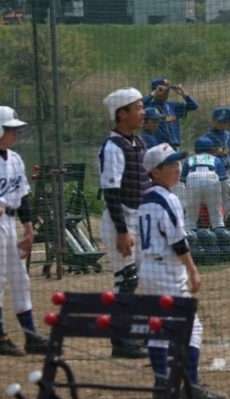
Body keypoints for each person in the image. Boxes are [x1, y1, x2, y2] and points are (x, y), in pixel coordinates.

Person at [139, 143, 226, 399]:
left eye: (178, 163)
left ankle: (161, 383)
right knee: (192, 326)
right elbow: (177, 241)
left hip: (149, 268)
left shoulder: (145, 198)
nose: (177, 169)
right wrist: (193, 269)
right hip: (166, 270)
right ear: (155, 172)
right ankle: (191, 385)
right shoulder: (169, 199)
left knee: (158, 325)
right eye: (171, 165)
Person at [0, 106, 46, 356]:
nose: (15, 133)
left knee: (20, 279)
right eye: (10, 129)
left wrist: (29, 229)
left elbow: (22, 197)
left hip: (10, 222)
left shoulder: (15, 159)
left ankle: (31, 337)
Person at [98, 88, 150, 359]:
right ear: (122, 113)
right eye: (138, 108)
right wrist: (122, 231)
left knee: (144, 276)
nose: (143, 112)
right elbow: (111, 192)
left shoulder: (138, 143)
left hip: (138, 220)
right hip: (121, 222)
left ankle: (140, 334)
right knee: (126, 279)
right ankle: (120, 341)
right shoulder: (113, 147)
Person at [181, 137, 230, 231]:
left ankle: (191, 236)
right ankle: (220, 235)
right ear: (211, 150)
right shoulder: (216, 159)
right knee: (216, 216)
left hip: (193, 178)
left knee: (191, 216)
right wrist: (226, 202)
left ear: (195, 150)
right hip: (211, 178)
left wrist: (185, 201)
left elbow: (182, 181)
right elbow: (224, 181)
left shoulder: (189, 159)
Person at [142, 77, 198, 149]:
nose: (166, 93)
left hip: (174, 149)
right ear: (155, 90)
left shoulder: (172, 106)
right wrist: (154, 93)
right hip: (159, 149)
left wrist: (183, 93)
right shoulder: (149, 108)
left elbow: (194, 106)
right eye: (162, 90)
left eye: (168, 90)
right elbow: (139, 106)